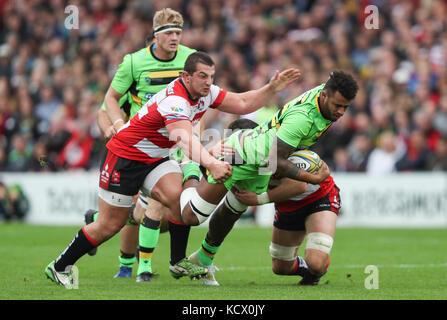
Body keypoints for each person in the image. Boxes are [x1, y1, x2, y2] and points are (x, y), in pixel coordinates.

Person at [44, 51, 301, 286]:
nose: (208, 82)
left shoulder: (205, 93)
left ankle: (177, 262)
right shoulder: (175, 101)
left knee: (178, 200)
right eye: (202, 76)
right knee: (110, 225)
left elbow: (243, 102)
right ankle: (59, 266)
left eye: (211, 76)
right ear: (185, 76)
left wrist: (271, 88)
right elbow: (184, 140)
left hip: (155, 157)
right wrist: (211, 163)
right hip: (125, 157)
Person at [184, 70, 359, 285]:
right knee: (193, 216)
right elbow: (277, 164)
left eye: (345, 107)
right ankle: (188, 168)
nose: (341, 112)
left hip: (294, 181)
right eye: (338, 106)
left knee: (315, 262)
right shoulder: (301, 120)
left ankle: (201, 257)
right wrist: (312, 178)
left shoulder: (326, 99)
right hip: (260, 166)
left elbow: (279, 167)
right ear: (324, 95)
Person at [82, 8, 196, 281]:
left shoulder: (190, 59)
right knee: (141, 210)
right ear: (155, 37)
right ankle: (134, 268)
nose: (175, 38)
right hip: (139, 146)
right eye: (169, 33)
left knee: (168, 213)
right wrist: (117, 128)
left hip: (176, 142)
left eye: (178, 33)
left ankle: (99, 223)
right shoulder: (133, 64)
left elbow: (203, 92)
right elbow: (106, 105)